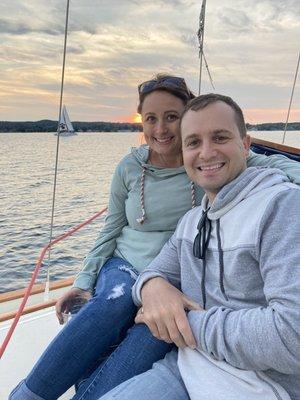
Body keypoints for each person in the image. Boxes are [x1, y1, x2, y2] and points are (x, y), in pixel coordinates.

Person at [9, 80, 300, 400]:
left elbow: (275, 166)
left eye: (171, 117)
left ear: (245, 145)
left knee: (153, 331)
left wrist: (180, 315)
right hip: (130, 266)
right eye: (150, 118)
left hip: (241, 366)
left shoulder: (271, 200)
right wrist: (103, 281)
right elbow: (112, 226)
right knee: (116, 301)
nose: (161, 128)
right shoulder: (173, 202)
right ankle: (28, 394)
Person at [98, 94, 300, 400]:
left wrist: (186, 322)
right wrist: (152, 287)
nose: (206, 153)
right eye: (193, 142)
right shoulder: (193, 220)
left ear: (246, 145)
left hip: (260, 385)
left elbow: (291, 338)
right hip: (185, 368)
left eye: (219, 137)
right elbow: (153, 272)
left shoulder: (280, 207)